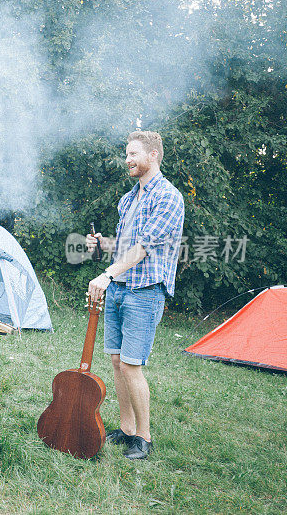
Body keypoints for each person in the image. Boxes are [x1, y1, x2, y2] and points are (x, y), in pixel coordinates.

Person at [86, 130, 184, 460]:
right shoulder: (128, 200)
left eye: (133, 154)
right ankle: (127, 429)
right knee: (116, 361)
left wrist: (105, 273)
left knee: (131, 365)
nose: (127, 160)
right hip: (118, 288)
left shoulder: (168, 198)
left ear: (153, 155)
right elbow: (125, 247)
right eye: (126, 154)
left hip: (144, 291)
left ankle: (144, 437)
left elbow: (143, 248)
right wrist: (102, 248)